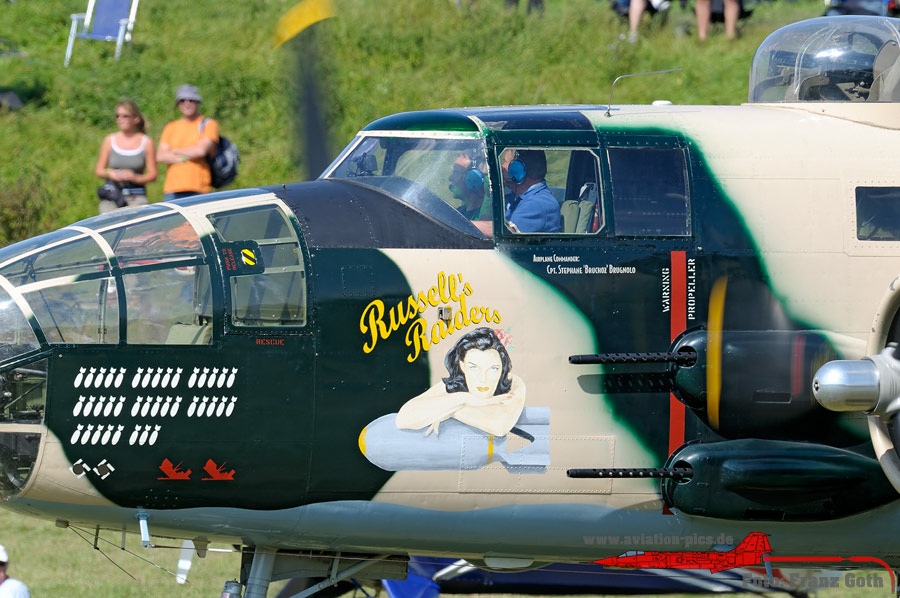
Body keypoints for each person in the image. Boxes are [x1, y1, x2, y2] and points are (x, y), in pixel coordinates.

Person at [396, 327, 525, 438]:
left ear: (502, 367)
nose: (483, 378)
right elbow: (403, 419)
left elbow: (499, 427)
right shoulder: (456, 383)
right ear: (462, 366)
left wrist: (449, 411)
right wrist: (464, 399)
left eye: (493, 369)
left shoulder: (514, 383)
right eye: (474, 367)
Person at [94, 99, 157, 213]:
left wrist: (135, 178)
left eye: (125, 116)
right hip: (113, 196)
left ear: (136, 119)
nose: (120, 119)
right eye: (117, 116)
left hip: (136, 196)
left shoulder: (146, 142)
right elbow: (99, 170)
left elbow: (153, 174)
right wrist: (110, 173)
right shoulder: (109, 140)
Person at [157, 84, 218, 201]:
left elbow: (201, 150)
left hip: (199, 188)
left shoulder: (208, 124)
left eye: (191, 100)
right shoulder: (171, 127)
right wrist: (187, 155)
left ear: (197, 102)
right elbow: (160, 156)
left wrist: (174, 151)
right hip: (172, 189)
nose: (187, 104)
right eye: (182, 100)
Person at [503, 149, 562, 233]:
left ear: (519, 170)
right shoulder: (516, 197)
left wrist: (480, 226)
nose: (502, 167)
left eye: (505, 162)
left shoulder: (538, 204)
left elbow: (507, 233)